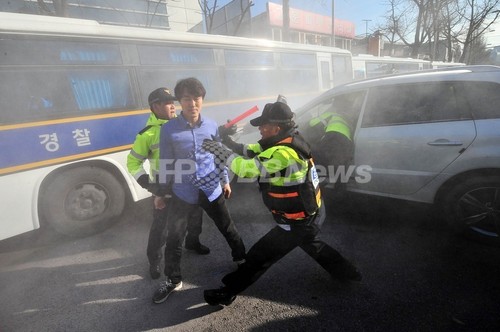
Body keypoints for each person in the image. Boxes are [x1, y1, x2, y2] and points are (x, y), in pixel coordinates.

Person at [202, 100, 361, 306]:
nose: (259, 129)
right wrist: (228, 142)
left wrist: (218, 150)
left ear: (276, 127)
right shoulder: (287, 139)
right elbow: (251, 150)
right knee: (314, 246)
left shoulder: (283, 153)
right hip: (311, 214)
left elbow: (246, 169)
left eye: (263, 125)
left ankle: (227, 292)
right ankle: (348, 273)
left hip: (297, 222)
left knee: (259, 257)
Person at [154, 77, 246, 304]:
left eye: (196, 98)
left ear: (202, 100)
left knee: (227, 227)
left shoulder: (211, 126)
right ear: (180, 101)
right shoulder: (168, 130)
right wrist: (161, 193)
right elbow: (166, 161)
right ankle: (173, 280)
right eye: (186, 99)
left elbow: (219, 154)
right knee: (175, 237)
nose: (192, 103)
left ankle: (243, 261)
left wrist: (225, 180)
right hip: (183, 192)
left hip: (211, 188)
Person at [126, 87, 209, 281]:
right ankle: (154, 260)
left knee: (195, 218)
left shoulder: (184, 124)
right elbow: (132, 162)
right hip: (164, 190)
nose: (173, 105)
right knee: (160, 228)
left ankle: (193, 242)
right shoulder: (147, 135)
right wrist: (149, 185)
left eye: (174, 102)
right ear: (155, 106)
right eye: (167, 103)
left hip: (188, 185)